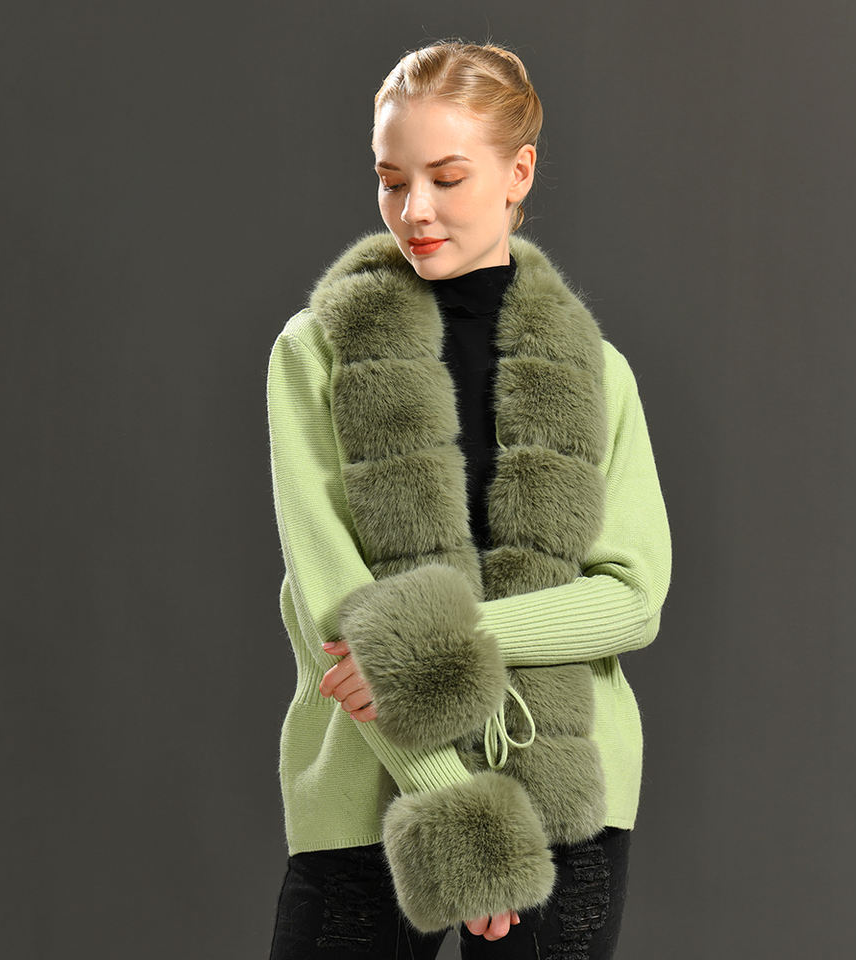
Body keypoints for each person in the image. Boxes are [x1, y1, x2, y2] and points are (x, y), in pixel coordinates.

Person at [265, 39, 672, 959]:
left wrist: (441, 643)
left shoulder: (600, 376)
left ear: (517, 173)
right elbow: (338, 617)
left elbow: (632, 599)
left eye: (446, 178)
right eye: (391, 180)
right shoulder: (315, 352)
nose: (414, 210)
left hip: (567, 798)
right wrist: (456, 813)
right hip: (372, 795)